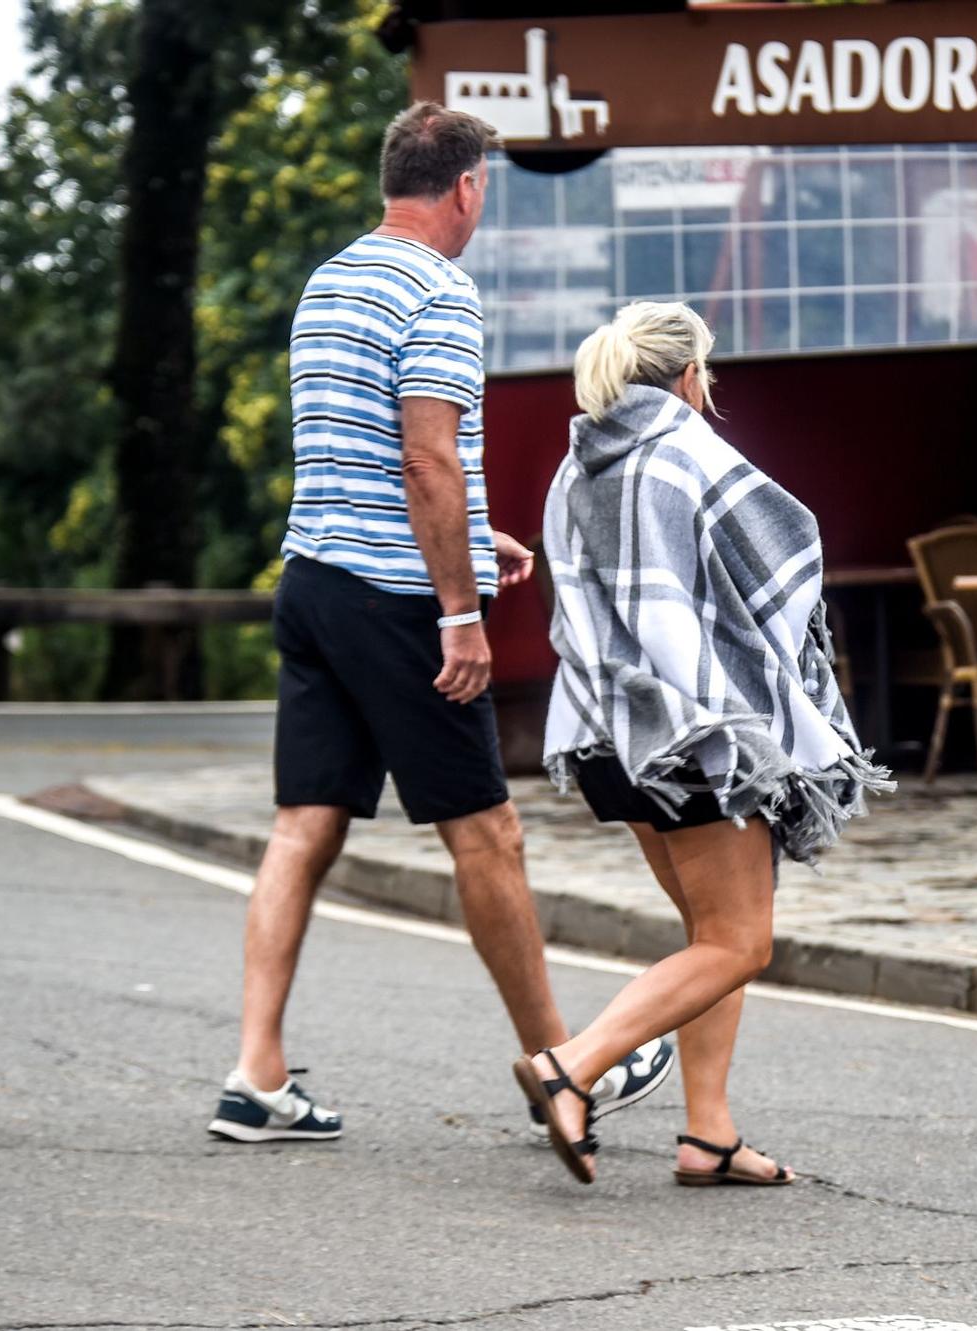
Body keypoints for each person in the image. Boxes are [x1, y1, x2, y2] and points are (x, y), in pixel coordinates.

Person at [208, 103, 672, 1145]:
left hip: (313, 584)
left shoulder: (330, 281)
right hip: (392, 600)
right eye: (485, 193)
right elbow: (421, 456)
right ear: (464, 187)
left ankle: (255, 1072)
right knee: (487, 832)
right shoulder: (440, 292)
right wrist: (460, 611)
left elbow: (370, 455)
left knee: (305, 823)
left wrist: (477, 533)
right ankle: (563, 1063)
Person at [515, 301, 891, 1185]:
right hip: (697, 733)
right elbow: (785, 555)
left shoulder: (576, 469)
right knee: (738, 941)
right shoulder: (688, 450)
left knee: (709, 928)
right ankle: (573, 1065)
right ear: (690, 375)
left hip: (617, 732)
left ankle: (707, 1134)